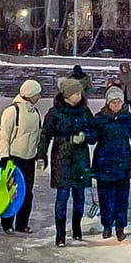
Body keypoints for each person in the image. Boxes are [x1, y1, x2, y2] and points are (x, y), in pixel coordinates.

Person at [89, 86, 131, 241]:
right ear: (108, 103)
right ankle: (106, 226)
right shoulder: (100, 118)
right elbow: (92, 138)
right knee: (105, 198)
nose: (116, 104)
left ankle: (120, 227)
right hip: (104, 162)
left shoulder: (128, 118)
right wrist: (83, 133)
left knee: (121, 198)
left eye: (119, 101)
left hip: (122, 162)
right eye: (113, 102)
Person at [37, 78, 93, 246]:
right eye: (74, 93)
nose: (78, 96)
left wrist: (85, 136)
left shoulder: (85, 112)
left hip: (81, 157)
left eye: (79, 93)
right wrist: (41, 155)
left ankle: (77, 228)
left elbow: (95, 131)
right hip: (61, 157)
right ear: (66, 95)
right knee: (62, 196)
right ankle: (60, 234)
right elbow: (45, 135)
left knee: (80, 197)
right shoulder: (54, 113)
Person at [0, 79, 43, 235]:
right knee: (12, 192)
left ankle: (22, 224)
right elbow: (4, 135)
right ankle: (7, 223)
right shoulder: (12, 111)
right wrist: (4, 156)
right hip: (14, 158)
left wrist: (39, 154)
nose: (40, 97)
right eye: (37, 93)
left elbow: (38, 136)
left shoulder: (36, 113)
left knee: (27, 193)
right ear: (30, 94)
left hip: (29, 157)